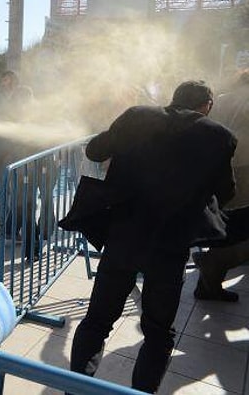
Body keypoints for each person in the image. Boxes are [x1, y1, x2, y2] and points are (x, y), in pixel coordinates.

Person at [68, 81, 236, 393]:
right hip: (170, 247)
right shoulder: (220, 137)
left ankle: (74, 389)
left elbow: (94, 150)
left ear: (174, 98)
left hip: (123, 236)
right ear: (208, 105)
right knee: (159, 333)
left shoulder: (138, 115)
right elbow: (226, 191)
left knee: (97, 322)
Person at [192, 71, 249, 301]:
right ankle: (213, 266)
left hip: (220, 166)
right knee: (237, 227)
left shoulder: (222, 99)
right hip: (244, 168)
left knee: (224, 223)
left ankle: (208, 282)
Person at [0, 71, 41, 260]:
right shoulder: (6, 118)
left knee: (23, 205)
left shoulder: (31, 119)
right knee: (27, 206)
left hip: (23, 169)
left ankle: (9, 230)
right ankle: (32, 250)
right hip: (16, 168)